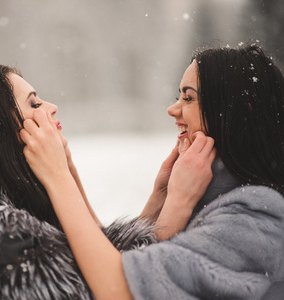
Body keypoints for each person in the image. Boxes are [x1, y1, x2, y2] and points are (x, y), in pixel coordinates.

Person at [0, 65, 196, 299]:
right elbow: (114, 290)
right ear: (0, 132)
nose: (51, 107)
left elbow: (95, 265)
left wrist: (159, 199)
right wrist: (176, 210)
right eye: (34, 103)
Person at [21, 42, 284, 299]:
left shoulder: (256, 217)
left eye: (189, 97)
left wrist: (58, 177)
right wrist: (161, 198)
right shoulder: (215, 201)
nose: (173, 109)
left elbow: (120, 288)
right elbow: (118, 259)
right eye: (178, 96)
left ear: (240, 113)